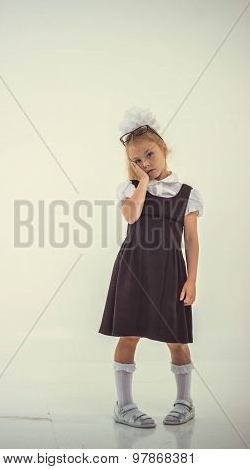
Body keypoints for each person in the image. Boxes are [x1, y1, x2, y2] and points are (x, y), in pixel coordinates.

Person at [98, 106, 204, 428]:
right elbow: (131, 216)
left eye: (150, 155)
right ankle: (125, 405)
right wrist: (142, 181)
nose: (146, 164)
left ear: (164, 149)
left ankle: (184, 402)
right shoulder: (131, 190)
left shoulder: (187, 195)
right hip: (133, 270)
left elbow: (191, 240)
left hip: (170, 271)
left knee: (176, 339)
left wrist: (192, 280)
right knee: (128, 335)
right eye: (138, 160)